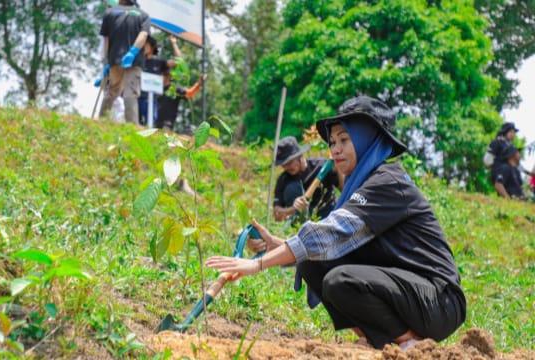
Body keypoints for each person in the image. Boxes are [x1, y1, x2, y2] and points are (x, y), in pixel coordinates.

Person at [206, 96, 466, 351]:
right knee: (312, 263)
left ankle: (411, 342)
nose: (335, 150)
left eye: (344, 139)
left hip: (438, 300)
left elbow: (331, 233)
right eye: (332, 142)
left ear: (368, 140)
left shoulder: (388, 181)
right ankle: (376, 337)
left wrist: (258, 264)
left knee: (342, 279)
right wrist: (275, 246)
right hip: (407, 292)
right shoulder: (361, 184)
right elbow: (328, 244)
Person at [97, 0, 150, 124]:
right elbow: (143, 36)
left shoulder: (110, 13)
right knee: (130, 92)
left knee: (111, 91)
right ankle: (131, 126)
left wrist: (106, 62)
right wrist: (133, 52)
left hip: (114, 59)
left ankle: (101, 122)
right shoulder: (143, 15)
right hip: (134, 60)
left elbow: (106, 40)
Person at [272, 136, 341, 225]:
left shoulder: (321, 167)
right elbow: (277, 215)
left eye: (289, 162)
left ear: (299, 156)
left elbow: (345, 190)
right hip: (302, 226)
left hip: (330, 217)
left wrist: (339, 167)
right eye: (283, 164)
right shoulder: (283, 179)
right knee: (292, 188)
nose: (286, 167)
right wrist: (294, 208)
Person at [137, 35, 180, 126]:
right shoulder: (138, 61)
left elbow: (179, 61)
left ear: (152, 47)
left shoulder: (159, 63)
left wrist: (174, 43)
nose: (143, 46)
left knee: (148, 127)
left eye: (146, 44)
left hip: (151, 101)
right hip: (137, 99)